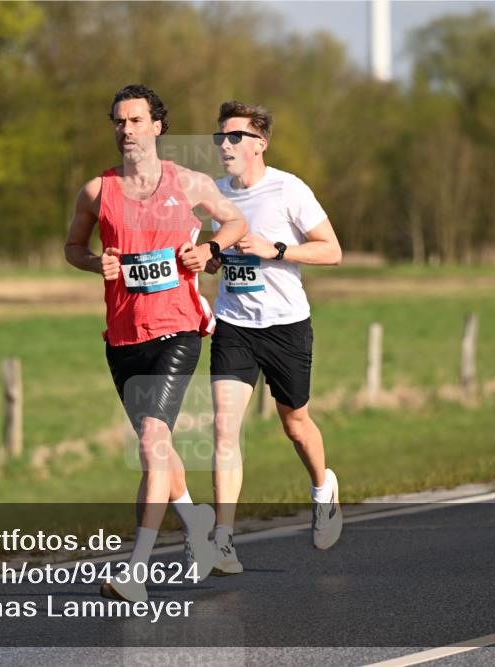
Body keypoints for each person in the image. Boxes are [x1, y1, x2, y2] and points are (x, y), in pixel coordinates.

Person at [64, 84, 247, 602]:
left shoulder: (187, 184)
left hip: (178, 328)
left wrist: (209, 249)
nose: (127, 130)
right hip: (123, 336)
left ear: (157, 126)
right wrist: (91, 261)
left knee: (149, 442)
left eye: (136, 121)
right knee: (160, 446)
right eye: (119, 122)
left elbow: (236, 222)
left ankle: (136, 571)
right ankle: (196, 523)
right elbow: (73, 246)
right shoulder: (97, 191)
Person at [204, 101, 343, 575]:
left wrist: (275, 249)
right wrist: (212, 258)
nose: (225, 145)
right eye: (220, 137)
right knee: (224, 426)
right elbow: (212, 256)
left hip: (285, 324)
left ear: (259, 144)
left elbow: (333, 251)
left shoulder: (289, 189)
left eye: (235, 137)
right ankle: (222, 539)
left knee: (295, 423)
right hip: (234, 324)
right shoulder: (216, 194)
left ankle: (323, 489)